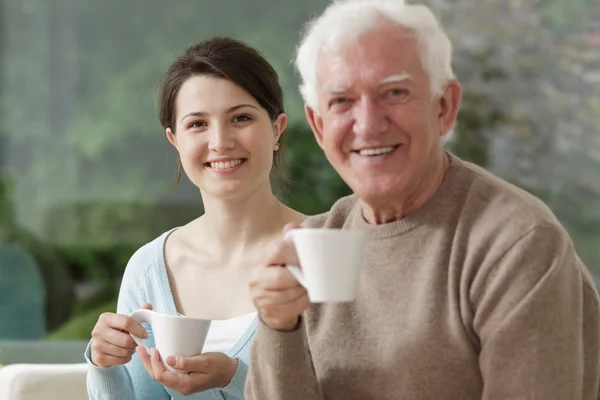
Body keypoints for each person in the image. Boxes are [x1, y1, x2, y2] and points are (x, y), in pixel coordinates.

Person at [245, 1, 600, 399]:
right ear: (318, 125)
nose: (368, 124)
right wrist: (279, 326)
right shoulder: (308, 249)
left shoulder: (517, 242)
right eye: (342, 101)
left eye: (394, 92)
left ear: (444, 107)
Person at [85, 37, 305, 399]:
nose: (220, 141)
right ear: (174, 140)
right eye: (197, 124)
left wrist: (235, 376)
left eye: (241, 118)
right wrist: (103, 365)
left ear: (277, 128)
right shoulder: (149, 270)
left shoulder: (324, 253)